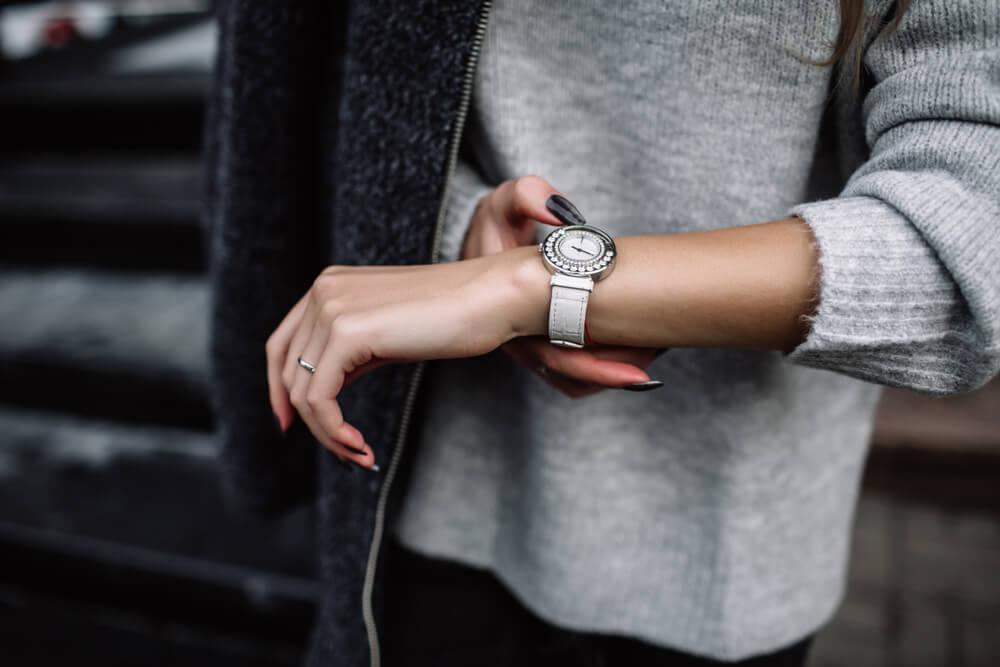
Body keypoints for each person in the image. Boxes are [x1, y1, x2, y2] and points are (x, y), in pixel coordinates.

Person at [204, 1, 1000, 665]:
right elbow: (334, 91)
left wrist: (536, 284)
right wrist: (461, 228)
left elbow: (971, 231)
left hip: (718, 550)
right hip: (424, 491)